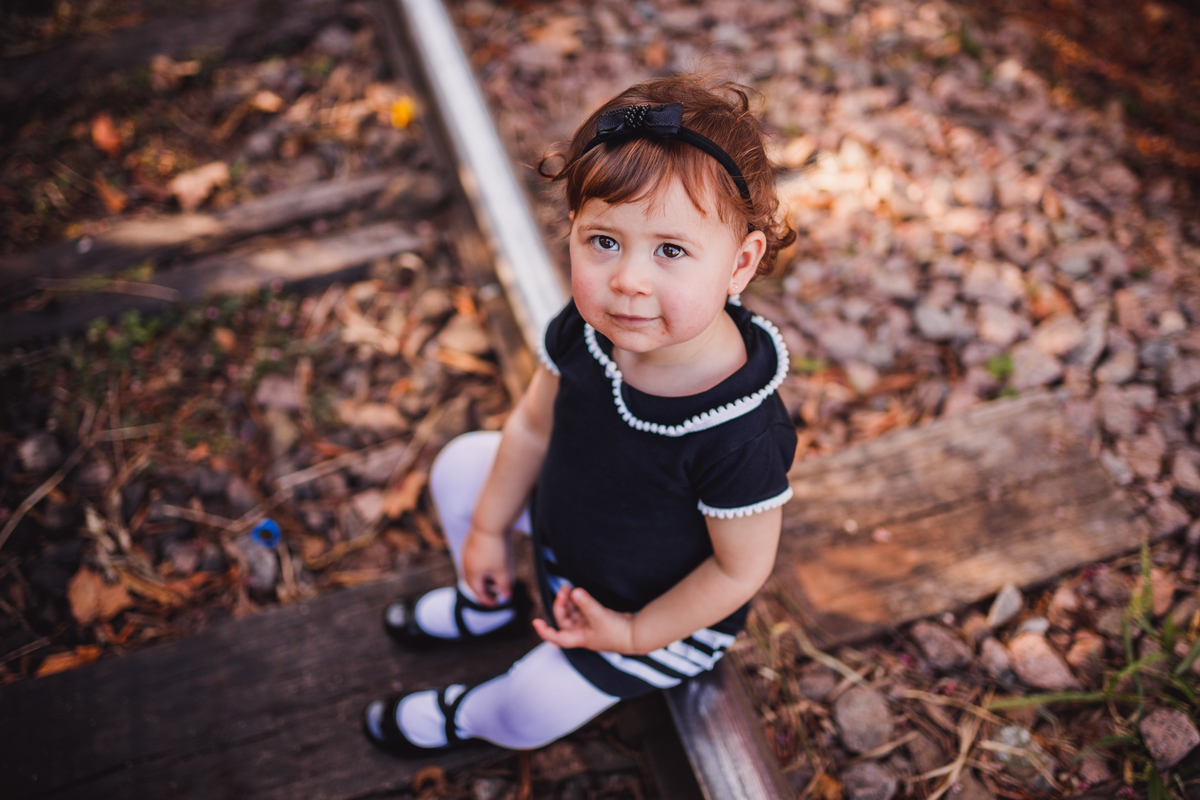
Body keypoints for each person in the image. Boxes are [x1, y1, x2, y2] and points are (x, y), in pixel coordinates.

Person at [363, 73, 798, 756]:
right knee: (460, 468)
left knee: (530, 705)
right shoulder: (590, 332)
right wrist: (487, 527)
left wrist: (632, 634)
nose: (628, 279)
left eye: (671, 251)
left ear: (741, 263)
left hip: (646, 610)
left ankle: (472, 714)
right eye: (603, 241)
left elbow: (737, 572)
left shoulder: (742, 431)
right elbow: (535, 425)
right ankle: (491, 597)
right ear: (571, 230)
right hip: (565, 537)